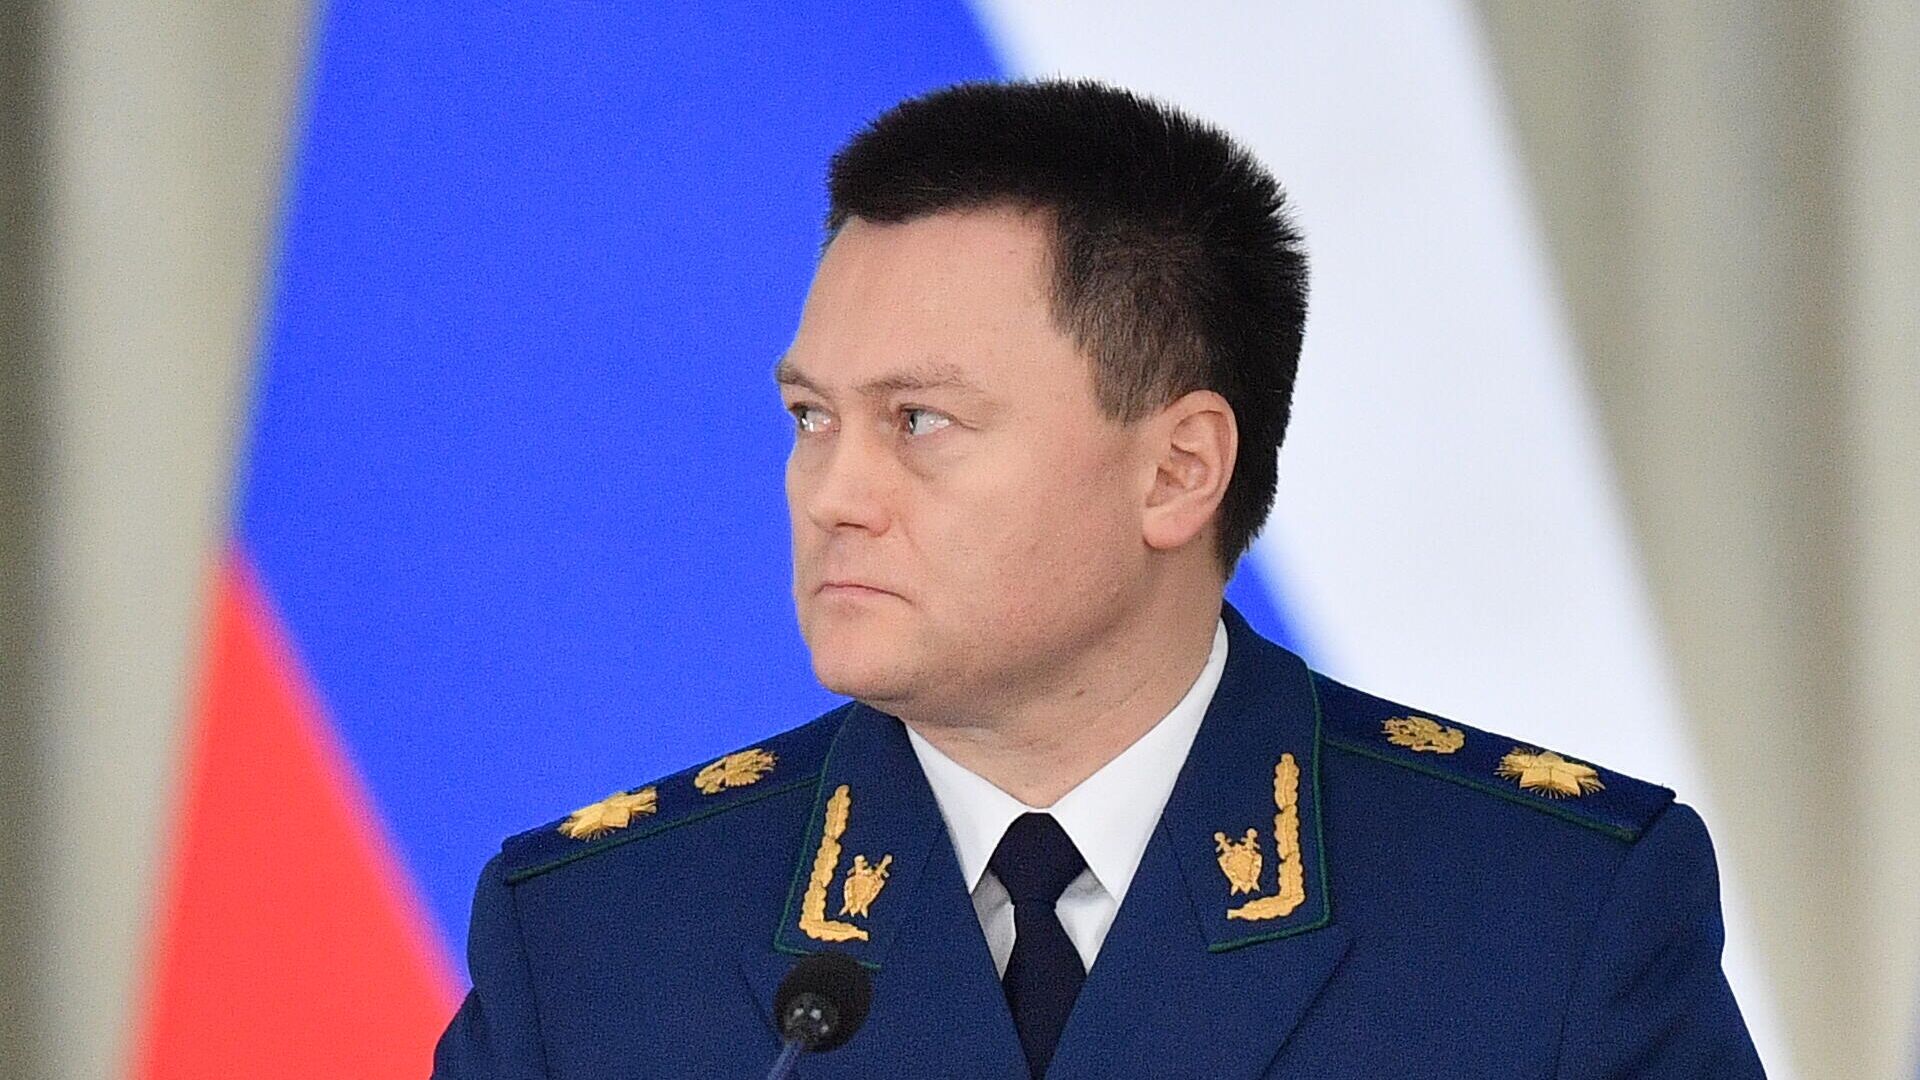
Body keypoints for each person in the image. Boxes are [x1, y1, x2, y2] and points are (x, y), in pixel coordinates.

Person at [432, 79, 1764, 1079]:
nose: (832, 492)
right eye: (810, 417)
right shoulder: (596, 943)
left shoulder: (1548, 915)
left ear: (1177, 471)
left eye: (918, 421)